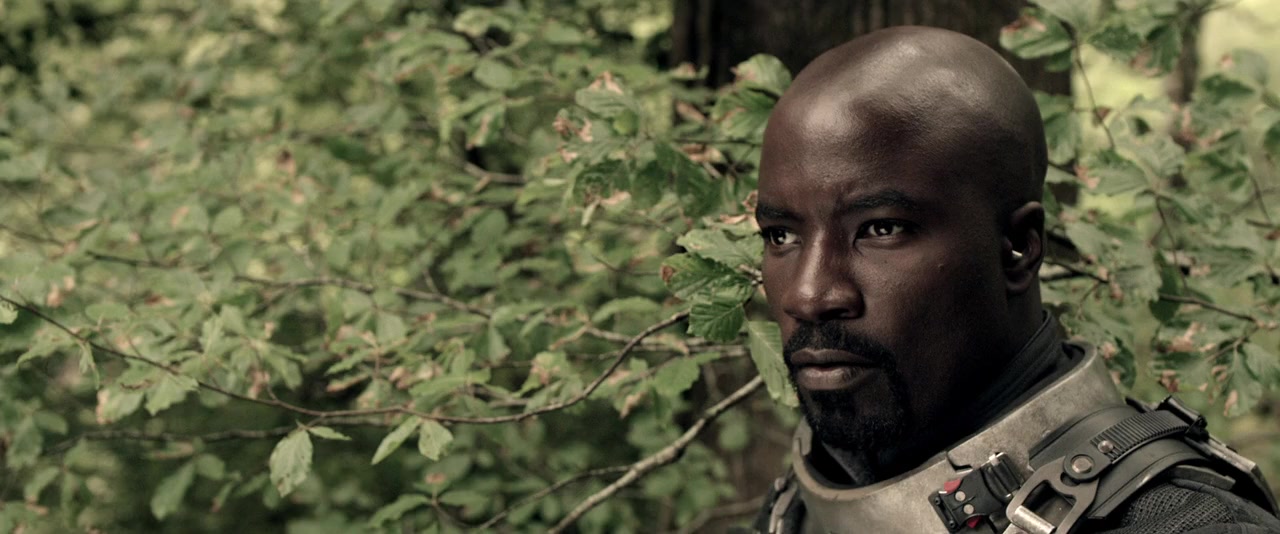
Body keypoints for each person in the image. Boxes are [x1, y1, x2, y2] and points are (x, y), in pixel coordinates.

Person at [748, 26, 1280, 533]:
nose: (808, 295)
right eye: (781, 236)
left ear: (1018, 249)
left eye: (881, 229)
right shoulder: (790, 511)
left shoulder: (1183, 523)